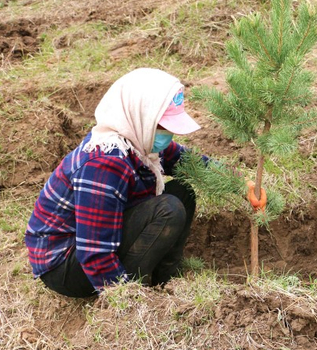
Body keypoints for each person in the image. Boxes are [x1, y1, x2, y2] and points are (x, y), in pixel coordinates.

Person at [25, 68, 266, 298]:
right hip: (65, 263)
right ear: (142, 117)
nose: (168, 135)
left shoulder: (139, 140)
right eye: (163, 127)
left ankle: (167, 279)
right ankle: (134, 286)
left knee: (182, 193)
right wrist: (125, 300)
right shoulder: (104, 163)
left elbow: (186, 161)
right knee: (168, 209)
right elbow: (94, 253)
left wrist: (240, 184)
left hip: (90, 244)